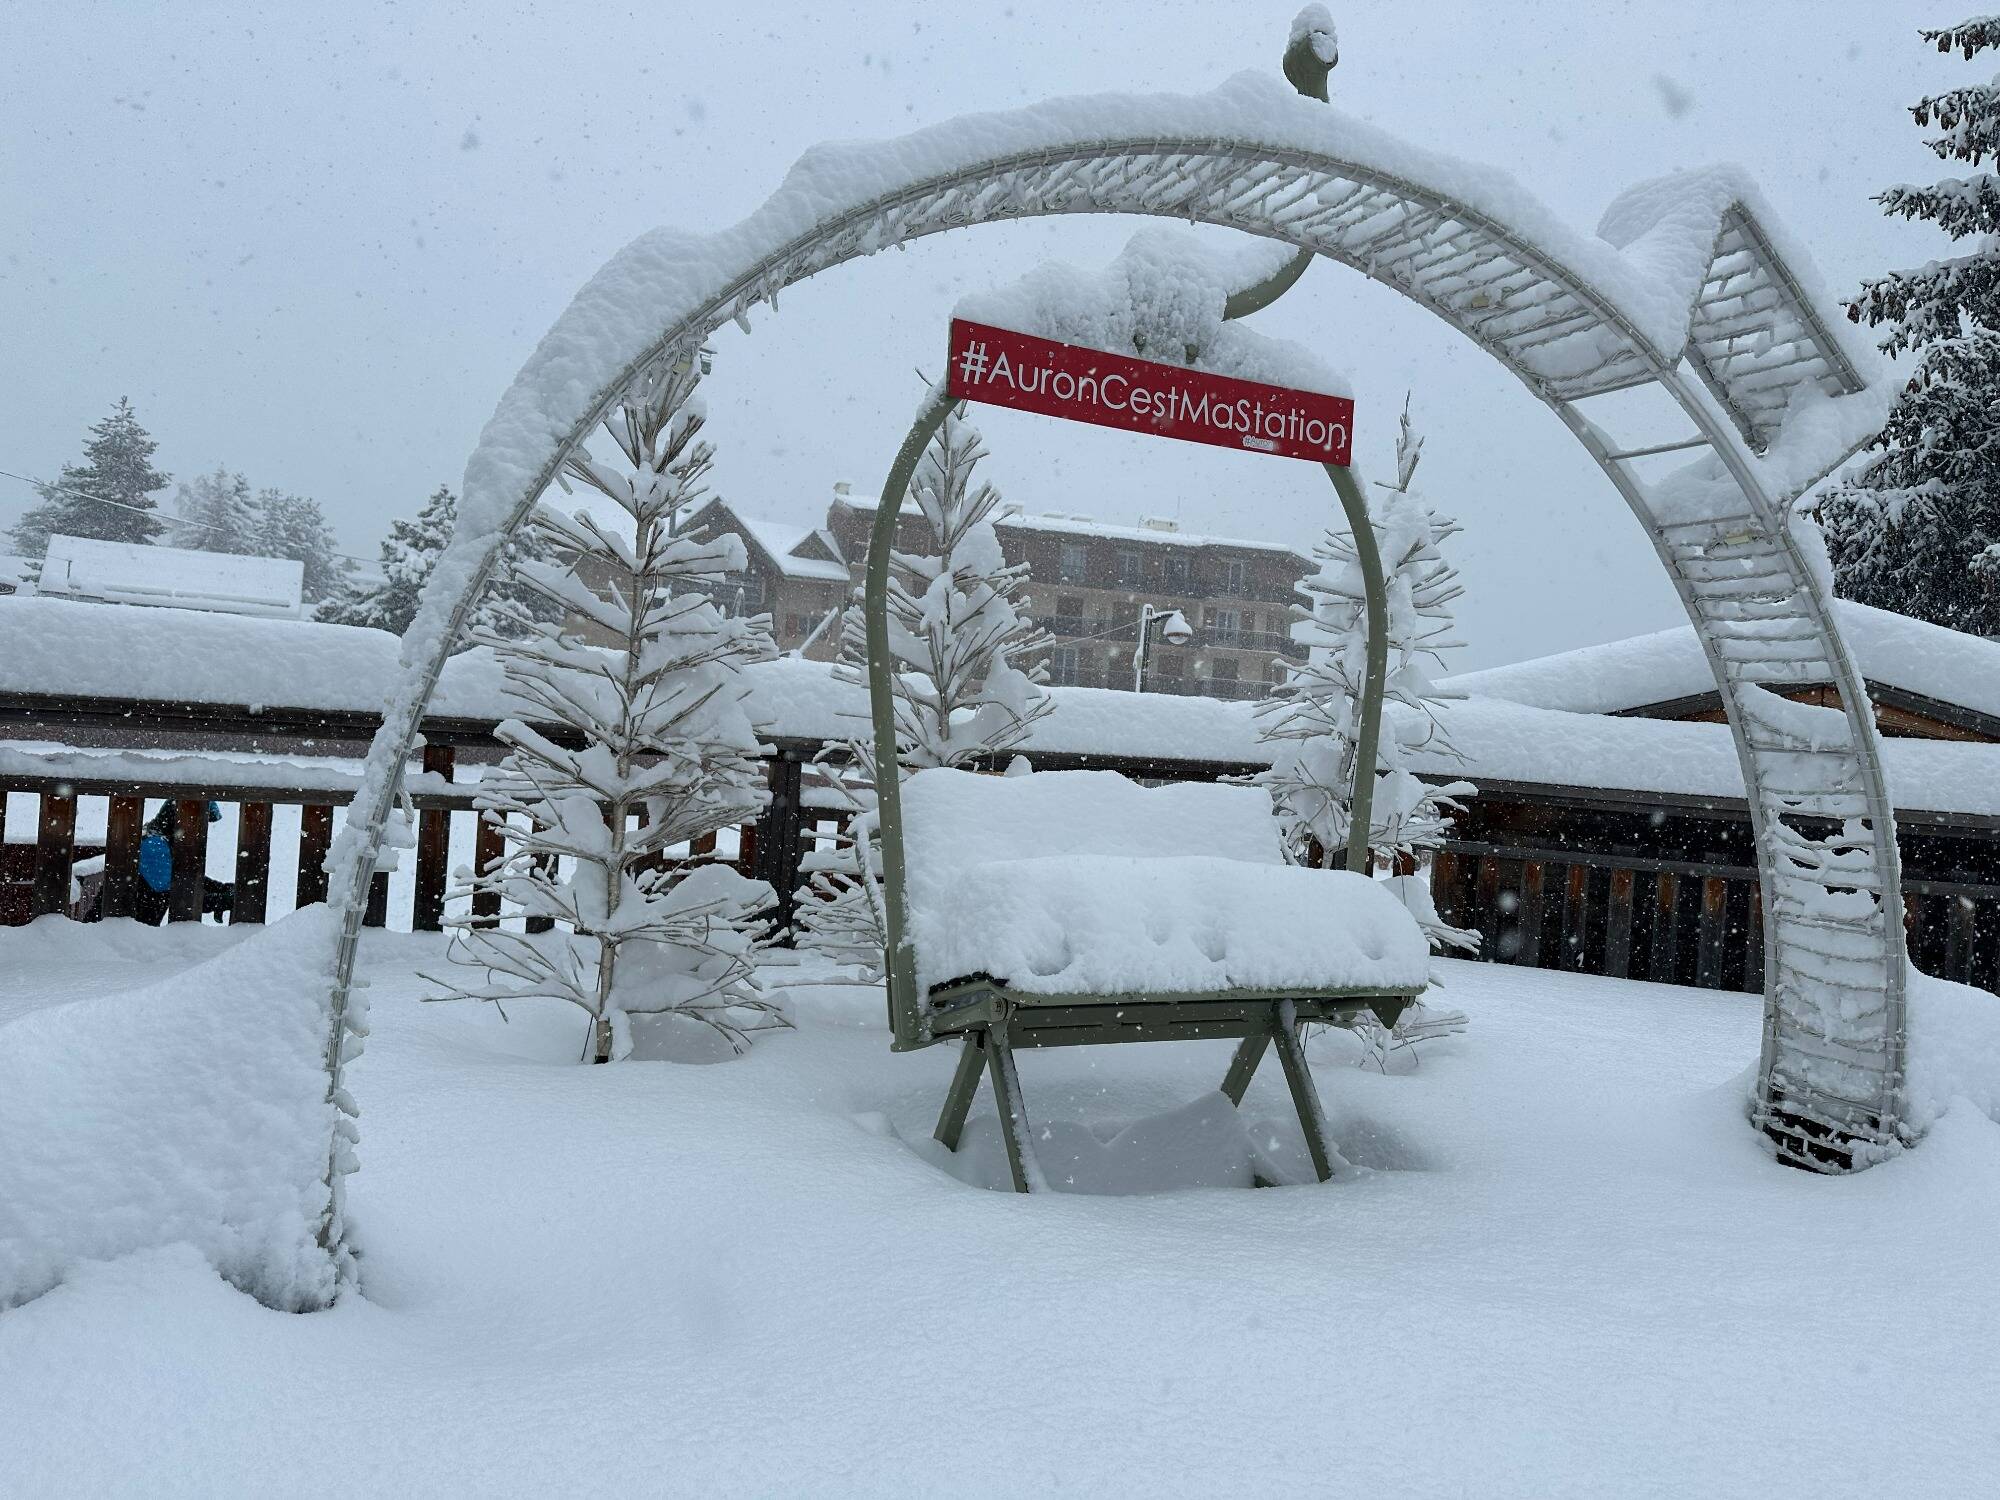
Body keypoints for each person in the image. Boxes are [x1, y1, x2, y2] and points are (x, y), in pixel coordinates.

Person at [131, 801, 236, 925]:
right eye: (196, 823)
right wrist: (217, 901)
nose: (199, 830)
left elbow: (181, 877)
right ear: (177, 820)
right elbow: (179, 892)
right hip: (126, 936)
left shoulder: (160, 837)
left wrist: (220, 888)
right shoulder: (154, 845)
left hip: (137, 932)